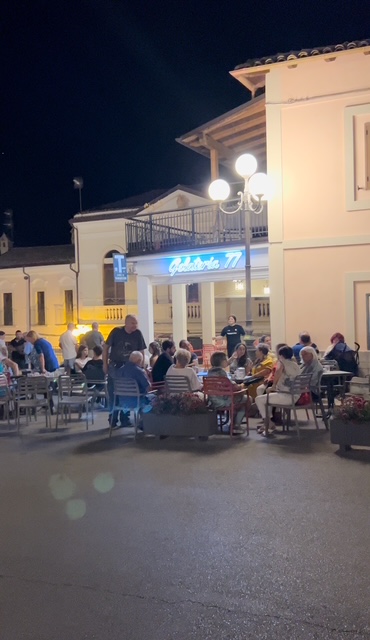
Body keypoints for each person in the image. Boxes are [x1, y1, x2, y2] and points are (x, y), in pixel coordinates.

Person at [103, 315, 147, 425]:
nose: (135, 326)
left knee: (128, 392)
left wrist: (141, 366)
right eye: (133, 323)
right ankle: (113, 417)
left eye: (136, 323)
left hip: (131, 367)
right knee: (113, 391)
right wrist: (105, 364)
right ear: (126, 323)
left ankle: (124, 417)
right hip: (115, 365)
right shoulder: (116, 332)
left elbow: (141, 351)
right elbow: (106, 348)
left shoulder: (138, 334)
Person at [255, 345, 301, 436]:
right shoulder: (295, 364)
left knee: (259, 399)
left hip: (286, 396)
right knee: (267, 398)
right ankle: (268, 422)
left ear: (281, 355)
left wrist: (274, 386)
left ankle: (269, 423)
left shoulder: (282, 362)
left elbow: (278, 371)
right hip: (296, 395)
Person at [207, 351, 250, 435]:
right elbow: (232, 387)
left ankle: (233, 423)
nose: (227, 361)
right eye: (226, 359)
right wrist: (242, 386)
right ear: (222, 361)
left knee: (239, 398)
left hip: (212, 400)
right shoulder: (221, 373)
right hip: (224, 401)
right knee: (247, 399)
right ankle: (235, 425)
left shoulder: (210, 372)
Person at [112, 351, 153, 428]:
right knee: (153, 399)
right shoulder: (139, 371)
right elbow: (148, 387)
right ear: (138, 361)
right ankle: (144, 423)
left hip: (122, 401)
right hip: (137, 401)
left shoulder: (119, 370)